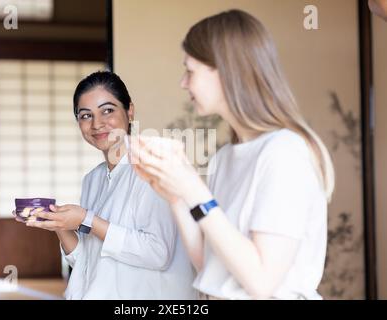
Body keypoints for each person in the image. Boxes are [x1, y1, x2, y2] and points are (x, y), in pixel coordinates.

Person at [130, 9, 335, 300]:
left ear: (225, 71)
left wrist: (192, 186)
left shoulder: (285, 152)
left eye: (190, 71)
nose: (183, 83)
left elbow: (262, 283)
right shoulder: (225, 157)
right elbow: (211, 266)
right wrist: (175, 195)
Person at [19, 71, 197, 300]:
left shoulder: (154, 167)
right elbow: (86, 260)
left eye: (107, 110)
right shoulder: (93, 179)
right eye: (85, 115)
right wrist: (58, 225)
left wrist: (87, 219)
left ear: (129, 110)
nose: (97, 124)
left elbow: (158, 253)